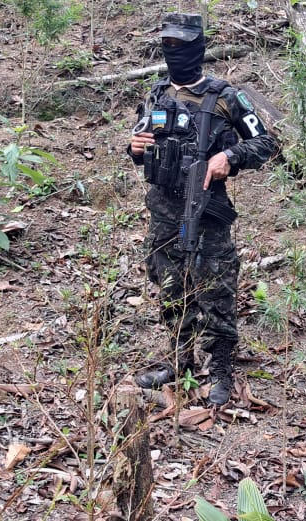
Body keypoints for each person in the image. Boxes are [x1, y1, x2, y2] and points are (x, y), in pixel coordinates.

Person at [126, 13, 278, 406]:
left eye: (182, 45)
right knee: (170, 285)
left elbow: (266, 143)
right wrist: (135, 148)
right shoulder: (157, 95)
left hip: (207, 208)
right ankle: (180, 362)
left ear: (199, 47)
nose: (174, 53)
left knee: (216, 287)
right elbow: (142, 147)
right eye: (168, 45)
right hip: (163, 210)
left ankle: (222, 371)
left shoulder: (225, 96)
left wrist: (229, 155)